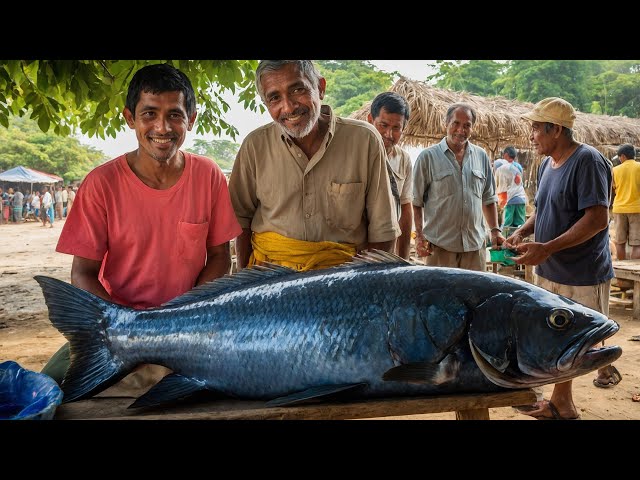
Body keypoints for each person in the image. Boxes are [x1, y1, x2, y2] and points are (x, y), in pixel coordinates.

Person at [42, 63, 242, 391]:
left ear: (190, 119)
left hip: (191, 326)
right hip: (117, 328)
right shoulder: (100, 184)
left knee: (253, 390)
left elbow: (220, 257)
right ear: (129, 118)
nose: (162, 127)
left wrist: (186, 313)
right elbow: (83, 274)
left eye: (174, 114)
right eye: (149, 113)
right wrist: (127, 327)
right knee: (49, 391)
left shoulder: (208, 175)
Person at [505, 97, 620, 420]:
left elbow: (597, 219)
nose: (531, 136)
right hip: (550, 267)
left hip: (582, 272)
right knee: (554, 340)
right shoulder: (546, 164)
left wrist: (549, 247)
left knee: (576, 342)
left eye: (536, 129)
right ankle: (560, 403)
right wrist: (524, 232)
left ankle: (564, 403)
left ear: (555, 130)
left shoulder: (588, 161)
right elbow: (543, 208)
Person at [229, 60, 400, 271]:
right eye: (274, 98)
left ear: (320, 88)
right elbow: (240, 220)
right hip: (268, 282)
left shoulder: (364, 140)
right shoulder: (254, 146)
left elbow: (383, 230)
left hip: (342, 282)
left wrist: (364, 289)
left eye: (298, 89)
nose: (289, 107)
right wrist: (245, 283)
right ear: (266, 104)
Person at [412, 102, 504, 271]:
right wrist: (419, 237)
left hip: (475, 249)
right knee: (440, 296)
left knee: (475, 296)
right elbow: (416, 202)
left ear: (472, 128)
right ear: (446, 123)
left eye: (467, 125)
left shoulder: (481, 156)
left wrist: (495, 231)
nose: (461, 130)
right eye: (456, 123)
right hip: (440, 248)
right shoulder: (427, 157)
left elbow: (489, 198)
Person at [367, 92, 413, 260]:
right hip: (357, 253)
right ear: (370, 120)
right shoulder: (356, 154)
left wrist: (404, 258)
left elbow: (406, 207)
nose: (388, 134)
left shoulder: (403, 160)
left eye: (396, 128)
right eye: (383, 125)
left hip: (388, 252)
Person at [611, 143, 640, 261]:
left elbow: (613, 188)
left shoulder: (615, 170)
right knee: (637, 244)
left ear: (623, 156)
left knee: (620, 242)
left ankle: (622, 269)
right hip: (637, 209)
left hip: (619, 209)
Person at [495, 146, 528, 232]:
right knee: (520, 224)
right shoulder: (519, 166)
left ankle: (506, 243)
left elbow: (501, 186)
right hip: (521, 198)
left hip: (510, 199)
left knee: (507, 224)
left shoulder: (503, 168)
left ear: (506, 155)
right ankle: (519, 242)